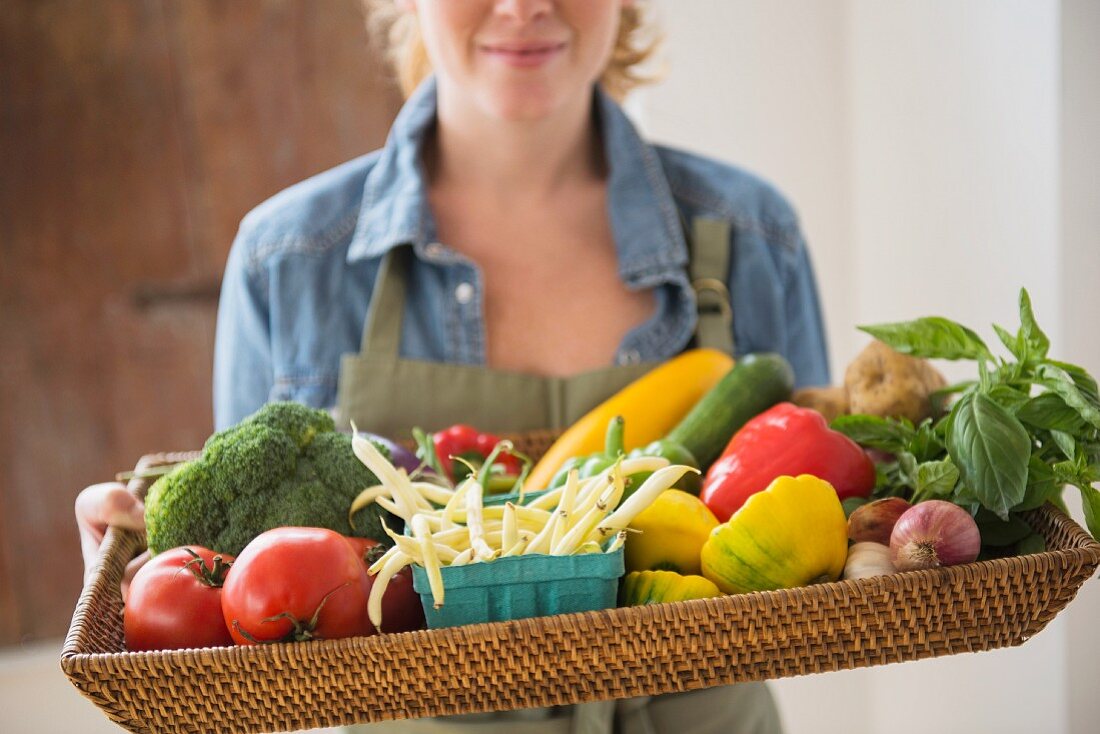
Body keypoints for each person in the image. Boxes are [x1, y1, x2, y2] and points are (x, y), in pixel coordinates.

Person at [77, 1, 830, 732]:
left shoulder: (753, 234)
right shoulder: (289, 261)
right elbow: (240, 607)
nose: (524, 6)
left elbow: (831, 522)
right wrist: (136, 564)